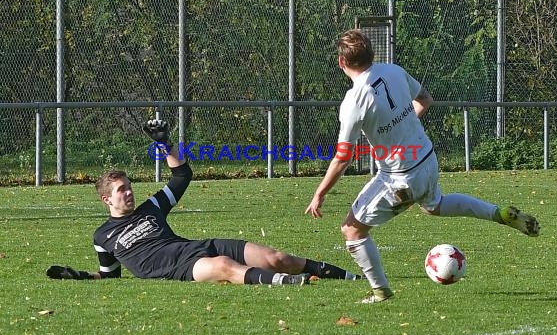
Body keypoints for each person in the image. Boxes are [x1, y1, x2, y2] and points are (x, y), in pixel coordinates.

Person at [304, 29, 540, 303]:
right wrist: (403, 127)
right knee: (435, 206)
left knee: (352, 230)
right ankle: (498, 213)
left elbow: (343, 156)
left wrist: (320, 193)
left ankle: (380, 291)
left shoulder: (354, 100)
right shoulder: (393, 70)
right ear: (371, 54)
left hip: (400, 176)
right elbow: (425, 100)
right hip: (426, 157)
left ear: (341, 63)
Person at [47, 119, 361, 286]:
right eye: (121, 190)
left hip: (196, 246)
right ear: (106, 199)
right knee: (226, 267)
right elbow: (111, 276)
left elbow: (181, 176)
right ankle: (291, 284)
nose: (128, 193)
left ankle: (350, 278)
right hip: (177, 267)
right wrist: (79, 276)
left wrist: (164, 144)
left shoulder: (151, 208)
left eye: (129, 187)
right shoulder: (103, 236)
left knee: (276, 256)